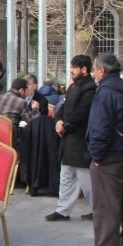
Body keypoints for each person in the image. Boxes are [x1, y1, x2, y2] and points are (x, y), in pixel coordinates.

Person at [76, 53, 123, 246]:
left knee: (106, 211)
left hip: (109, 158)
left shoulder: (105, 92)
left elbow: (100, 127)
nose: (93, 72)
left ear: (101, 70)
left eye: (94, 69)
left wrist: (97, 156)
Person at [48, 55, 97, 222]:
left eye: (74, 67)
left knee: (86, 179)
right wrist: (58, 121)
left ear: (84, 69)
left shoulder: (90, 89)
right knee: (66, 177)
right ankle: (63, 210)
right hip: (68, 139)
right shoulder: (73, 87)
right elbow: (63, 107)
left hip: (80, 140)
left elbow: (82, 113)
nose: (71, 70)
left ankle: (97, 210)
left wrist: (65, 125)